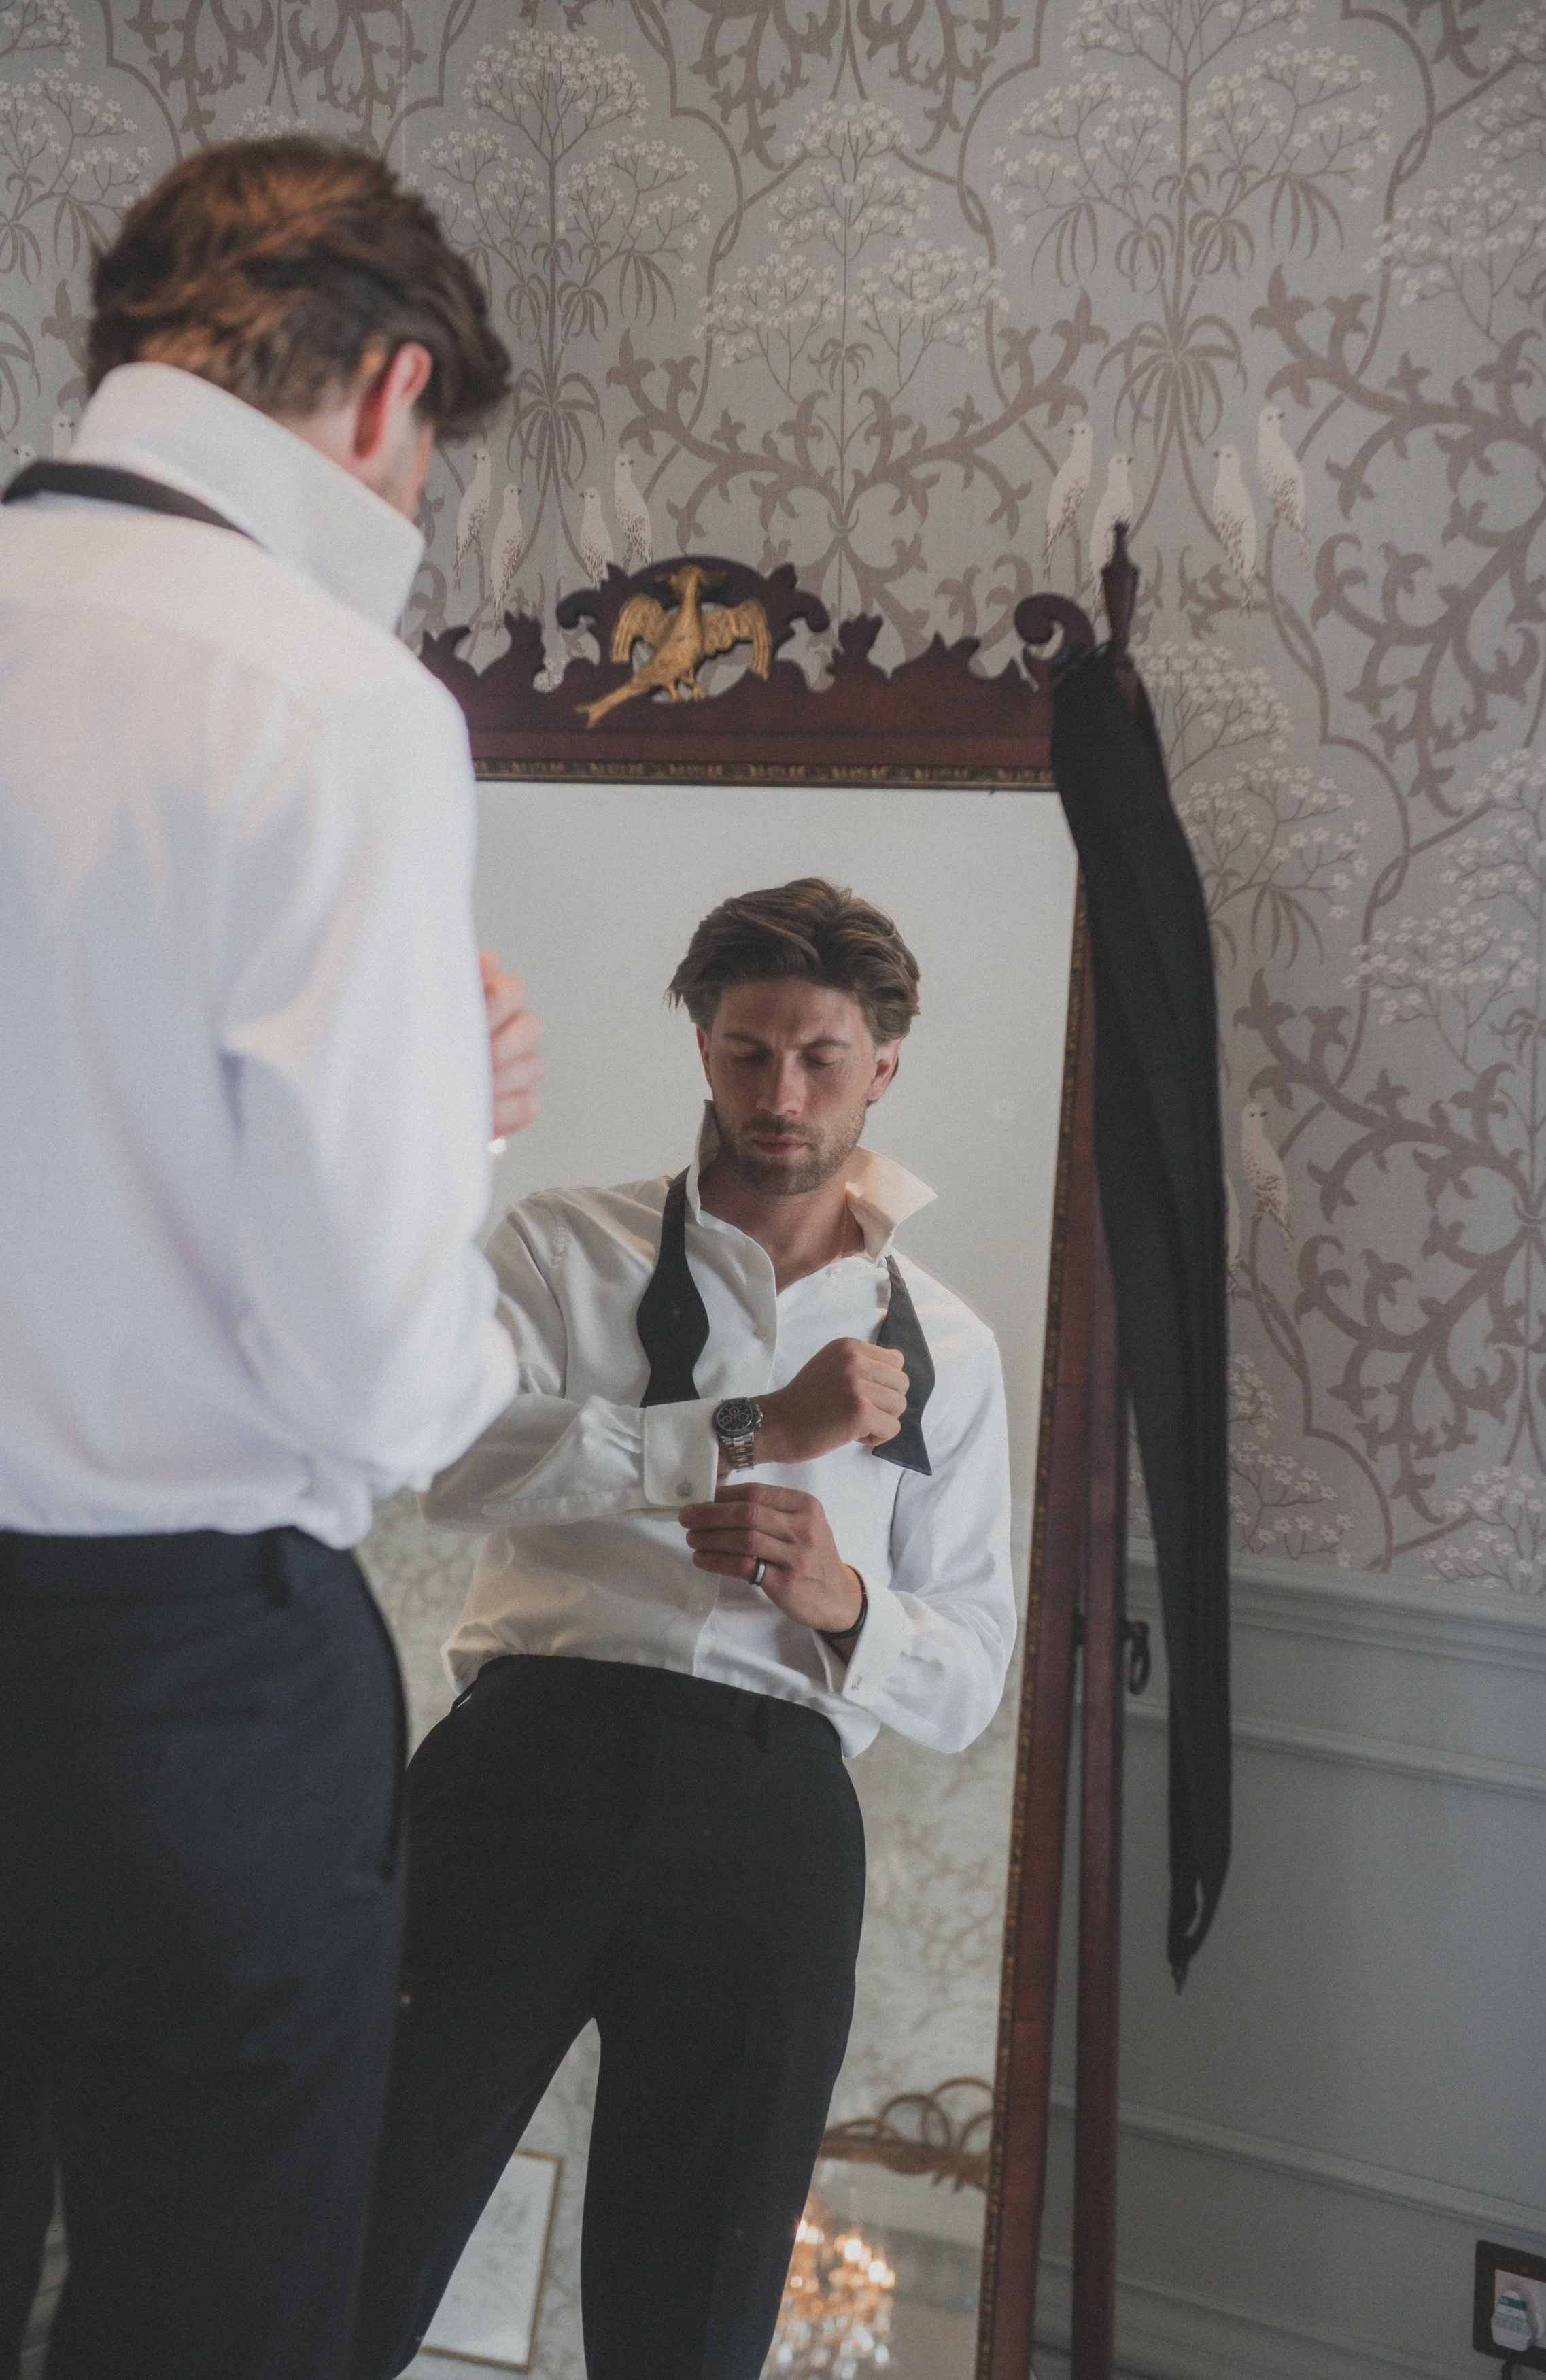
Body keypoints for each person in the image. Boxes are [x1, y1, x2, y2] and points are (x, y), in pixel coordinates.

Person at [0, 139, 541, 2380]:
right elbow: (377, 1373)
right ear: (386, 395)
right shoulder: (332, 705)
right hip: (182, 1698)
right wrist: (449, 1150)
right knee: (206, 2324)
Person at [351, 877, 1018, 2380]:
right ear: (703, 1049)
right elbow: (446, 1466)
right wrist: (736, 1431)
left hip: (770, 1815)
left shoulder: (952, 1353)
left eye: (820, 1059)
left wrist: (844, 1600)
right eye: (745, 1053)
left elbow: (970, 1674)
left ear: (884, 1064)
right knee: (356, 2215)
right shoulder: (558, 1248)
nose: (780, 1094)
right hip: (522, 1769)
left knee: (690, 2322)